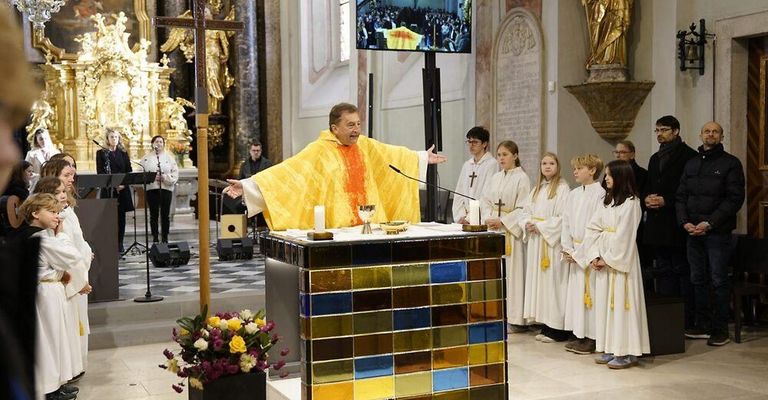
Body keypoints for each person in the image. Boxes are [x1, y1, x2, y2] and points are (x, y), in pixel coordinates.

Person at [223, 103, 447, 230]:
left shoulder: (365, 145)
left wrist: (421, 158)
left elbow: (393, 155)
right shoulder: (319, 150)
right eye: (350, 125)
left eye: (358, 124)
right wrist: (247, 186)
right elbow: (287, 174)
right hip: (339, 228)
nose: (356, 130)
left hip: (373, 226)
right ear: (334, 128)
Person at [676, 121, 745, 346]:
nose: (711, 134)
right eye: (707, 131)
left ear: (721, 136)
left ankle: (720, 329)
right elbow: (681, 197)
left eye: (715, 132)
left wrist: (710, 223)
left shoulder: (731, 164)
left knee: (718, 280)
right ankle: (702, 325)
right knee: (698, 279)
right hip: (692, 232)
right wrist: (685, 222)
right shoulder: (692, 163)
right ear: (701, 135)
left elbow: (734, 199)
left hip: (717, 233)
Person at [579, 160, 650, 369]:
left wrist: (607, 259)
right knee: (606, 306)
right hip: (602, 258)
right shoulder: (607, 201)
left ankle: (626, 351)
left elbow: (625, 236)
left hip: (620, 261)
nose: (606, 178)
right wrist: (593, 255)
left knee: (622, 305)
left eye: (610, 175)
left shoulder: (632, 202)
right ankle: (610, 346)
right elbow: (592, 227)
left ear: (621, 176)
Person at [18, 193, 86, 399]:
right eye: (52, 211)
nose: (57, 217)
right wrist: (62, 235)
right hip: (44, 295)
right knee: (47, 342)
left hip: (50, 290)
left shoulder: (42, 236)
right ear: (35, 212)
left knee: (56, 340)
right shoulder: (39, 238)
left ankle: (56, 384)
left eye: (58, 212)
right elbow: (71, 256)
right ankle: (48, 389)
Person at [642, 115, 697, 328]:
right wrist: (646, 198)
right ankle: (666, 319)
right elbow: (648, 184)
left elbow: (690, 191)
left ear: (675, 131)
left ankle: (685, 319)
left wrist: (667, 200)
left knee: (682, 270)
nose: (660, 134)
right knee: (663, 270)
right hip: (657, 223)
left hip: (676, 221)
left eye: (664, 130)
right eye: (657, 130)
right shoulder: (655, 158)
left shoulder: (689, 156)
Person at [34, 176, 93, 374]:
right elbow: (67, 254)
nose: (64, 194)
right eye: (59, 192)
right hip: (61, 283)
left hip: (70, 279)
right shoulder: (49, 229)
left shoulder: (66, 215)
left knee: (68, 334)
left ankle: (70, 373)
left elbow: (78, 242)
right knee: (57, 338)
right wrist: (77, 280)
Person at [520, 152, 571, 342]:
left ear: (558, 166)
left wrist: (540, 226)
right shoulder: (537, 189)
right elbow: (524, 211)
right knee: (541, 285)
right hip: (536, 241)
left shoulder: (563, 189)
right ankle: (545, 324)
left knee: (553, 284)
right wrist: (526, 223)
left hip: (551, 244)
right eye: (543, 163)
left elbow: (563, 218)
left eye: (551, 163)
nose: (547, 167)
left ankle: (557, 328)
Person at [480, 141, 530, 333]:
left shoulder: (522, 178)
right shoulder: (495, 177)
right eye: (499, 155)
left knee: (512, 275)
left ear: (515, 156)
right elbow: (485, 201)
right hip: (493, 229)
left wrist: (504, 221)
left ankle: (514, 319)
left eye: (505, 155)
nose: (501, 158)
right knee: (496, 274)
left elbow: (524, 207)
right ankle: (496, 314)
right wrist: (488, 218)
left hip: (510, 234)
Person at [562, 154, 605, 355]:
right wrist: (568, 248)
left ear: (592, 170)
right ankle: (579, 333)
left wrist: (580, 253)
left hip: (588, 252)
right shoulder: (574, 194)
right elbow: (566, 222)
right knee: (577, 297)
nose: (575, 172)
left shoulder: (600, 194)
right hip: (575, 250)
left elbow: (595, 228)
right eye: (575, 169)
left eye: (580, 168)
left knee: (591, 296)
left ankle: (592, 337)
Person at [96, 127, 134, 254]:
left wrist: (122, 185)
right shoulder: (101, 153)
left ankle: (120, 243)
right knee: (109, 218)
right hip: (108, 190)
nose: (114, 139)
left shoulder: (123, 153)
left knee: (121, 218)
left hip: (122, 190)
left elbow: (129, 171)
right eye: (112, 137)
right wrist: (112, 185)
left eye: (116, 137)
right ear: (107, 139)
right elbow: (100, 172)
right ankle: (109, 243)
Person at [614, 139, 651, 270]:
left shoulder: (642, 174)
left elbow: (642, 199)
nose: (618, 155)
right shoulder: (611, 172)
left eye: (622, 152)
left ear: (632, 154)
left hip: (635, 223)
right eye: (616, 152)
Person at [453, 126, 499, 224]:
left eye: (475, 142)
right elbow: (459, 192)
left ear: (484, 144)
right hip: (464, 219)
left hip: (481, 217)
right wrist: (460, 216)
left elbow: (487, 194)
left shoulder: (491, 164)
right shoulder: (467, 165)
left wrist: (470, 218)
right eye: (469, 142)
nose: (471, 145)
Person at [140, 135, 179, 243]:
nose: (158, 144)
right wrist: (152, 178)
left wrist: (165, 178)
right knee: (154, 215)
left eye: (161, 142)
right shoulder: (146, 158)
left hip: (166, 189)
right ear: (152, 144)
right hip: (152, 190)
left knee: (165, 215)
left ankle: (165, 237)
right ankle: (155, 237)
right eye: (156, 141)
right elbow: (141, 173)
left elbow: (175, 174)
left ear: (163, 144)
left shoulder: (169, 158)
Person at [1, 160, 33, 234]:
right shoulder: (16, 188)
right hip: (12, 226)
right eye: (29, 171)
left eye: (32, 171)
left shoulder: (11, 185)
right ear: (21, 172)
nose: (31, 174)